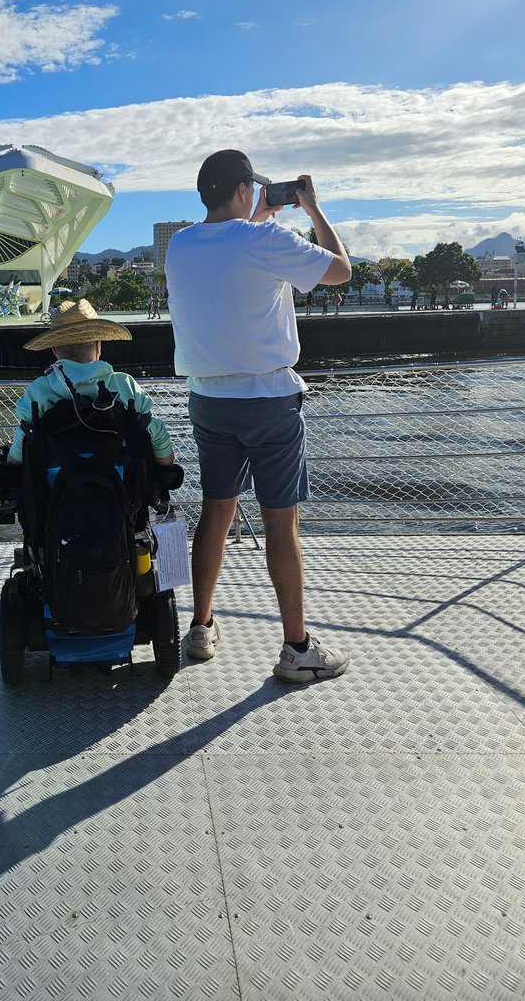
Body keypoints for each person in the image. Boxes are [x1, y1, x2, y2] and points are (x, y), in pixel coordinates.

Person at [165, 149, 352, 683]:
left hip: (208, 400)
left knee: (215, 513)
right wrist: (312, 210)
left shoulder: (180, 245)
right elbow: (339, 270)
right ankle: (296, 648)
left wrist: (259, 211)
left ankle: (200, 627)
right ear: (245, 189)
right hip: (268, 400)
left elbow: (227, 251)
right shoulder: (266, 241)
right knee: (280, 524)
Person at [7, 299, 174, 469]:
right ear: (98, 345)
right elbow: (157, 436)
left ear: (55, 350)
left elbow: (17, 455)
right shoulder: (125, 384)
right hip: (122, 491)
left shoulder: (38, 390)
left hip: (56, 492)